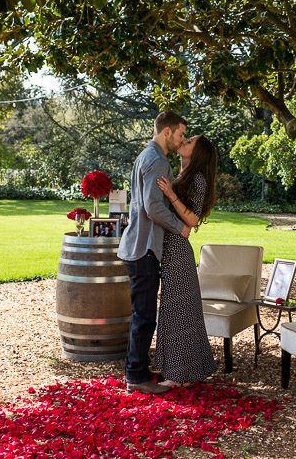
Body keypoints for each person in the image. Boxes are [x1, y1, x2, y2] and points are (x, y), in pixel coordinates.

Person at [117, 111, 192, 395]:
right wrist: (180, 227)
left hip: (138, 244)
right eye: (181, 134)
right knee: (144, 315)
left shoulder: (145, 155)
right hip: (143, 247)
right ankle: (136, 377)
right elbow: (153, 207)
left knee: (143, 313)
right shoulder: (158, 160)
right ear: (167, 132)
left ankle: (138, 369)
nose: (182, 140)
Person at [154, 134, 218, 387]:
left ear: (198, 151)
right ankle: (181, 371)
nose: (184, 141)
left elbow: (191, 221)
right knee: (174, 311)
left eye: (189, 140)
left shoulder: (198, 179)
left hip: (178, 250)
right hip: (169, 248)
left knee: (179, 311)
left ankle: (177, 375)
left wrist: (170, 194)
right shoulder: (180, 175)